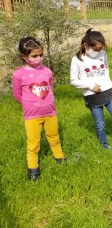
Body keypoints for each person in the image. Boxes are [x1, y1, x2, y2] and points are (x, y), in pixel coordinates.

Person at [12, 36, 65, 181]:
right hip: (32, 116)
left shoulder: (47, 71)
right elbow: (17, 94)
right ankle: (33, 169)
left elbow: (50, 87)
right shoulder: (18, 74)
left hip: (50, 112)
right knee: (33, 143)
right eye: (34, 56)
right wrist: (30, 104)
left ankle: (60, 157)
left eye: (41, 55)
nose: (39, 58)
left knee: (54, 137)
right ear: (24, 56)